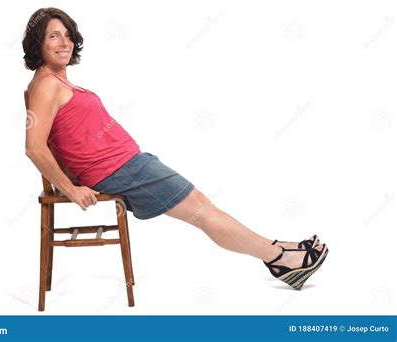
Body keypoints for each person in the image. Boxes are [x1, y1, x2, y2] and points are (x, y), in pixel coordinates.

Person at [22, 7, 328, 290]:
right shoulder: (46, 85)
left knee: (204, 206)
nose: (65, 42)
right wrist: (72, 190)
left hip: (127, 164)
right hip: (118, 171)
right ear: (39, 44)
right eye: (53, 36)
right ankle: (281, 260)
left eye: (67, 34)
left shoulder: (59, 82)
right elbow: (35, 148)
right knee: (203, 213)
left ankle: (280, 248)